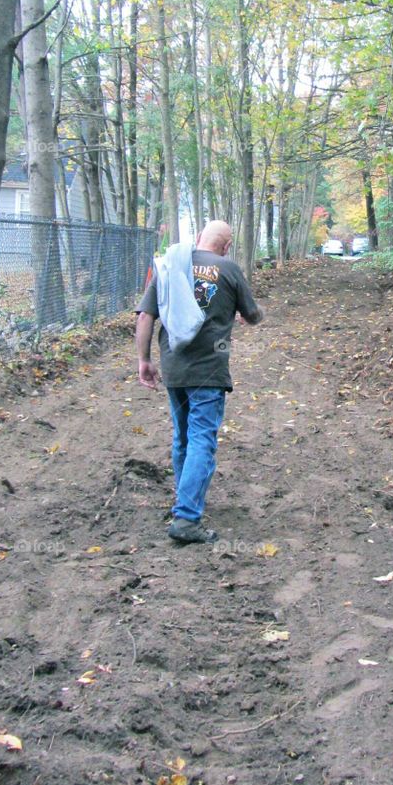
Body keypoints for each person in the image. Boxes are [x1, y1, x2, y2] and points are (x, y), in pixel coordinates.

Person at [135, 220, 263, 544]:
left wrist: (144, 360)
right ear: (227, 245)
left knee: (182, 438)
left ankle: (185, 503)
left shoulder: (169, 264)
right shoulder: (229, 270)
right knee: (202, 438)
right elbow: (253, 314)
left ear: (197, 239)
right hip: (209, 369)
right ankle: (187, 517)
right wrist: (245, 314)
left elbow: (145, 316)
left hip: (174, 367)